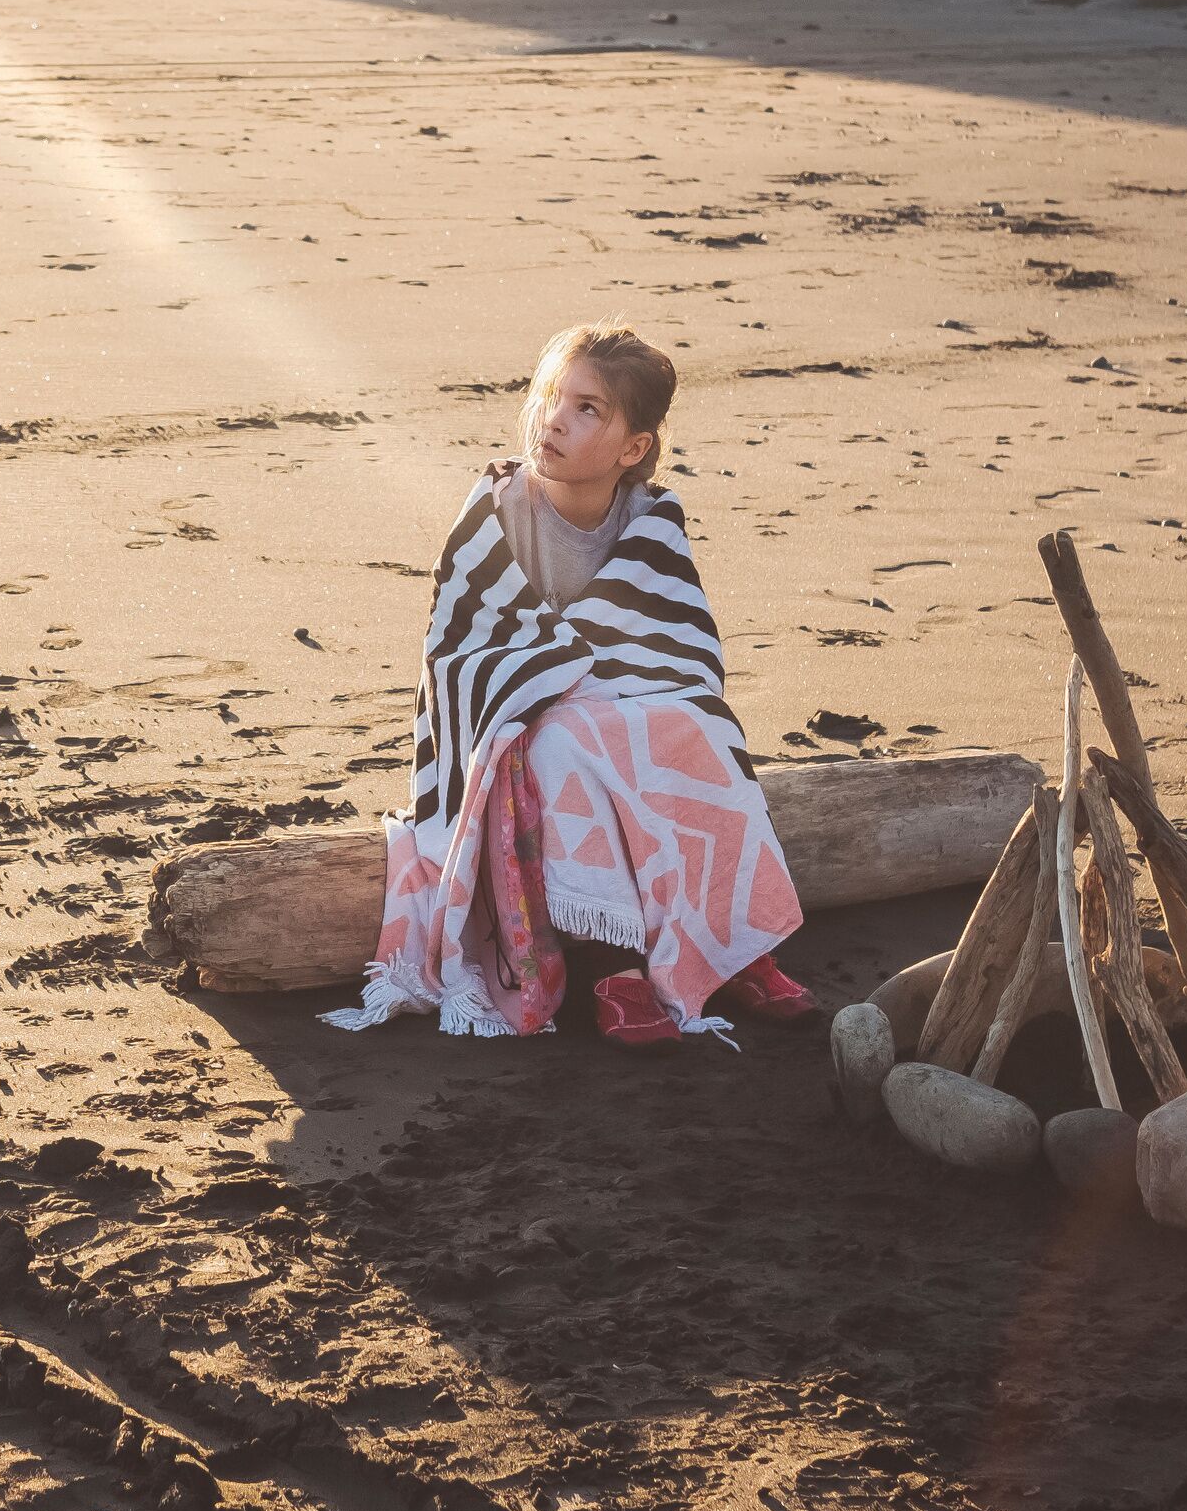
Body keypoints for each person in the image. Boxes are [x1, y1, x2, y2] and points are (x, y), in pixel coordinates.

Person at [323, 324, 818, 1046]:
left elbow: (685, 654)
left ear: (633, 448)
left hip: (617, 715)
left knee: (701, 725)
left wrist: (600, 683)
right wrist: (563, 673)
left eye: (588, 408)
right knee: (569, 740)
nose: (555, 418)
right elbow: (458, 652)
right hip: (519, 728)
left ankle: (732, 943)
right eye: (554, 395)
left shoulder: (652, 521)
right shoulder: (497, 513)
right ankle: (612, 968)